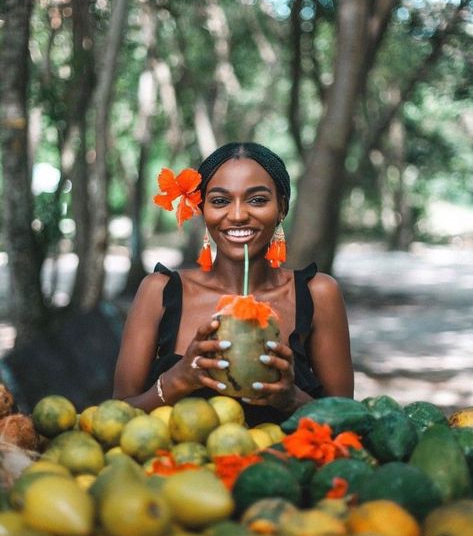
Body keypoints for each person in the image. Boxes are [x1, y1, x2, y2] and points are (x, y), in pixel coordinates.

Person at [113, 142, 353, 425]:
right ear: (202, 209)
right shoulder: (158, 291)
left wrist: (292, 399)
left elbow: (348, 421)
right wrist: (177, 382)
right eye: (220, 201)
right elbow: (117, 415)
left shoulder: (319, 293)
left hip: (283, 467)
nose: (238, 215)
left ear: (282, 208)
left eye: (257, 200)